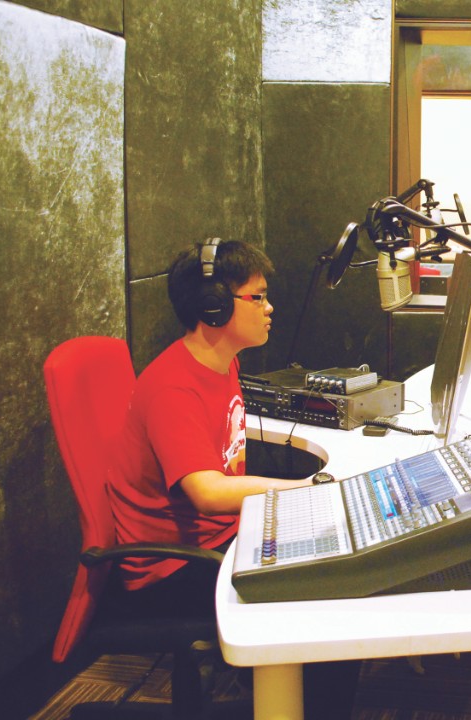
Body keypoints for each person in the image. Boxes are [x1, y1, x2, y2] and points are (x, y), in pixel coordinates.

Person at [107, 238, 359, 718]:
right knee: (331, 608)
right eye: (257, 297)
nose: (270, 308)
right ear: (214, 308)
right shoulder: (173, 387)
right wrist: (306, 490)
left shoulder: (222, 363)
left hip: (223, 538)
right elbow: (206, 491)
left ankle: (287, 692)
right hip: (173, 568)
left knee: (337, 563)